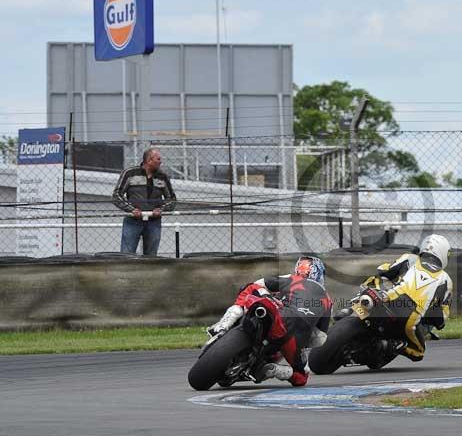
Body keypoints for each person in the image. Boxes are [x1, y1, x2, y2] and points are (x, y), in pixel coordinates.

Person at [207, 256, 333, 387]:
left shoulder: (292, 279)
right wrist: (304, 343)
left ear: (297, 269)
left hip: (278, 316)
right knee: (301, 378)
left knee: (249, 287)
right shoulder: (328, 300)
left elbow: (259, 283)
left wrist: (269, 297)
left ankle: (224, 325)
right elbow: (321, 338)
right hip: (294, 340)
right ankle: (275, 370)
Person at [370, 234, 453, 363]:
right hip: (410, 319)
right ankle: (397, 345)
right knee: (419, 353)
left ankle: (353, 305)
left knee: (375, 278)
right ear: (443, 253)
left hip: (388, 299)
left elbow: (385, 270)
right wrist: (437, 321)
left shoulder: (409, 258)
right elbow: (441, 316)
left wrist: (384, 276)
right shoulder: (446, 279)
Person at [112, 148, 176, 256]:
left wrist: (161, 209)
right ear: (149, 160)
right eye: (158, 159)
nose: (161, 161)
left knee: (151, 256)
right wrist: (131, 210)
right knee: (126, 255)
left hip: (154, 222)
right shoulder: (129, 173)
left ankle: (149, 272)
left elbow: (172, 199)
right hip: (132, 220)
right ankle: (125, 272)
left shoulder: (163, 177)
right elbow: (116, 195)